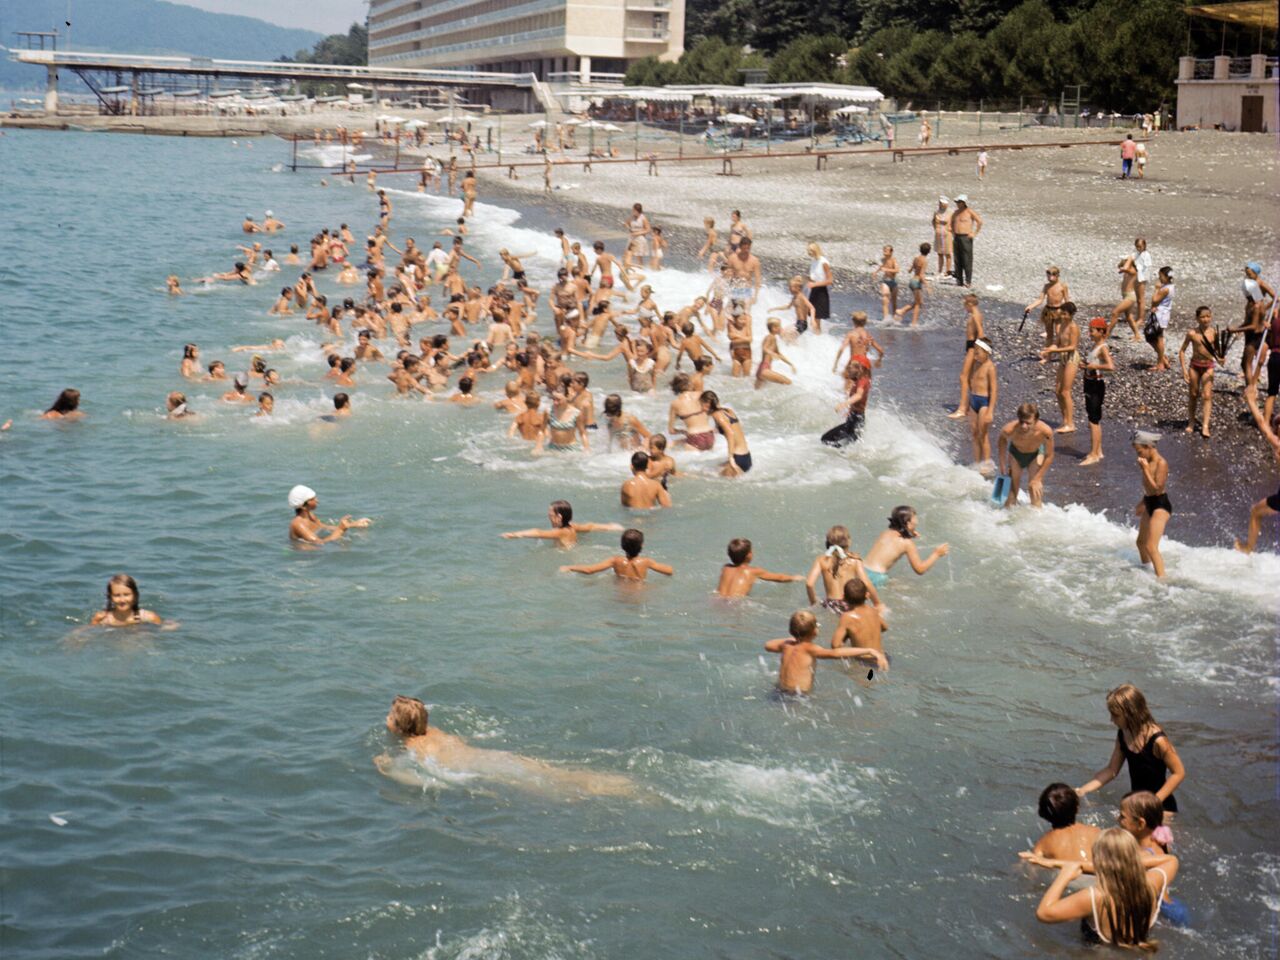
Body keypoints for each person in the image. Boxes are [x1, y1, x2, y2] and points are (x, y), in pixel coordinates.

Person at [375, 695, 635, 798]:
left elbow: (409, 774)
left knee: (544, 786)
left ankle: (604, 792)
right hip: (493, 756)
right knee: (552, 772)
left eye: (389, 717)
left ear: (398, 727)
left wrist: (386, 767)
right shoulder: (436, 731)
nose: (386, 719)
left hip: (475, 767)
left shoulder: (411, 745)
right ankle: (616, 784)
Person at [1035, 829, 1177, 949]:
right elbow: (1171, 859)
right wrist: (1127, 863)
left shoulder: (1095, 897)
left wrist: (1064, 875)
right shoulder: (1152, 883)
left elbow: (1044, 913)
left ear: (1097, 859)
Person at [1078, 683, 1185, 816]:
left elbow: (1179, 773)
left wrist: (1154, 802)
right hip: (1136, 804)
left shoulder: (1158, 740)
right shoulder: (1123, 734)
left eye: (1115, 715)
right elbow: (1112, 770)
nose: (1111, 720)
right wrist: (1083, 790)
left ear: (1131, 713)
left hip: (1161, 807)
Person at [764, 610, 868, 695]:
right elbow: (836, 653)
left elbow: (768, 645)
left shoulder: (786, 645)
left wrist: (791, 639)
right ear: (814, 631)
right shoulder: (811, 649)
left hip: (779, 691)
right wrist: (868, 650)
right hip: (798, 695)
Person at [1234, 383, 1280, 553]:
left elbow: (1262, 423)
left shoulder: (1277, 445)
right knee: (1256, 511)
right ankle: (1248, 548)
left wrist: (1252, 401)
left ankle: (1248, 548)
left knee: (1255, 512)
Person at [862, 506, 949, 590]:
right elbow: (920, 569)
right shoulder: (907, 543)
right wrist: (937, 554)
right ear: (908, 523)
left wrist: (909, 532)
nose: (917, 521)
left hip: (862, 570)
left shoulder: (886, 533)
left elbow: (895, 542)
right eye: (915, 518)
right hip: (876, 577)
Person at [804, 525, 883, 612]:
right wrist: (877, 604)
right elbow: (866, 583)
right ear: (848, 542)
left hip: (830, 605)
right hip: (849, 604)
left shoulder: (821, 560)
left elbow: (809, 584)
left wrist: (813, 603)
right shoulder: (855, 560)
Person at [1022, 783, 1101, 864]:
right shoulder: (1097, 832)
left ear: (1043, 814)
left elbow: (1032, 872)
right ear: (1077, 808)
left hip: (1069, 875)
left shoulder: (1042, 844)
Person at [997, 403, 1055, 507]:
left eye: (1028, 423)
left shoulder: (1045, 431)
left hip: (1035, 455)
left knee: (1034, 488)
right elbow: (1002, 440)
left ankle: (1037, 518)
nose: (1024, 426)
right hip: (1016, 454)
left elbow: (1049, 456)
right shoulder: (1009, 429)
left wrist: (1038, 478)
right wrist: (1002, 464)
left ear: (1036, 420)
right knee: (1011, 495)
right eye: (1021, 422)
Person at [560, 528, 673, 581]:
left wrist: (569, 567)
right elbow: (669, 571)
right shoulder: (646, 562)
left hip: (620, 594)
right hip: (639, 594)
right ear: (642, 545)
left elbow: (590, 570)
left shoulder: (615, 561)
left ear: (622, 546)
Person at [501, 500, 621, 548]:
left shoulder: (559, 532)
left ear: (559, 517)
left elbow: (538, 532)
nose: (548, 517)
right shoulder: (572, 526)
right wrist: (612, 527)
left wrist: (515, 534)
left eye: (550, 515)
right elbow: (591, 526)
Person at [828, 580, 890, 671]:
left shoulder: (847, 617)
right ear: (867, 595)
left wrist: (848, 636)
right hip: (884, 658)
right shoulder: (873, 610)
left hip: (865, 662)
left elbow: (835, 645)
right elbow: (885, 627)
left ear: (843, 597)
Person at [1178, 305, 1217, 438]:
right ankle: (1191, 421)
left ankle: (1205, 425)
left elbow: (1218, 352)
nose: (1206, 319)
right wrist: (1184, 370)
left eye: (1208, 316)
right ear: (1197, 318)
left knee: (1207, 395)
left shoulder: (1214, 333)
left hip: (1208, 366)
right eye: (1202, 317)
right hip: (1194, 366)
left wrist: (1222, 359)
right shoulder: (1192, 334)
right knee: (1193, 394)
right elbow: (1182, 351)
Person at [1040, 302, 1080, 433]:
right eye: (1061, 314)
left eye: (1065, 314)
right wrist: (1048, 350)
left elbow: (1072, 347)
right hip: (1063, 358)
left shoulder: (1074, 327)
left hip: (1071, 358)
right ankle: (1065, 421)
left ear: (1071, 314)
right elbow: (1057, 342)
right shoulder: (1062, 325)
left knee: (1065, 391)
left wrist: (1054, 352)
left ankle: (1071, 423)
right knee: (1057, 390)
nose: (1062, 316)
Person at [717, 538, 803, 598]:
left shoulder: (725, 568)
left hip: (718, 600)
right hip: (736, 603)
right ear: (749, 555)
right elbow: (780, 578)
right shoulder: (754, 571)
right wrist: (794, 578)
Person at [1081, 318, 1115, 465]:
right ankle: (1098, 451)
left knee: (1093, 421)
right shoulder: (1097, 346)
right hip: (1090, 383)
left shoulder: (1103, 348)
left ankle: (1094, 454)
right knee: (1093, 420)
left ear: (1101, 332)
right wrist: (1086, 366)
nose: (1089, 333)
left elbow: (1110, 366)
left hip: (1095, 385)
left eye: (1092, 330)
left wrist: (1093, 365)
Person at [287, 484, 371, 545]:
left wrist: (352, 524)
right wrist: (341, 530)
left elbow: (324, 527)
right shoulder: (298, 524)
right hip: (306, 555)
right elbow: (320, 543)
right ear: (303, 506)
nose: (317, 501)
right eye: (313, 499)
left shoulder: (310, 515)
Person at [948, 294, 985, 419]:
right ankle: (971, 406)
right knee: (969, 379)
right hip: (972, 347)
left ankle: (962, 409)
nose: (965, 308)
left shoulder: (975, 316)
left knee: (963, 377)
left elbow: (980, 333)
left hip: (972, 348)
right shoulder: (978, 314)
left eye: (965, 305)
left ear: (969, 304)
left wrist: (978, 351)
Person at [821, 358, 871, 447]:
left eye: (850, 367)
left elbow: (859, 395)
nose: (848, 369)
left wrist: (843, 404)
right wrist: (850, 410)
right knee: (848, 446)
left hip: (856, 420)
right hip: (855, 419)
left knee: (826, 439)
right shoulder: (859, 380)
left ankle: (840, 456)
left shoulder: (862, 381)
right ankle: (842, 456)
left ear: (860, 369)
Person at [702, 391, 752, 476]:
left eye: (701, 405)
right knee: (715, 469)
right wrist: (715, 430)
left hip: (737, 459)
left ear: (707, 404)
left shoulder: (716, 415)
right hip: (746, 457)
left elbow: (730, 433)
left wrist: (731, 458)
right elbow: (733, 427)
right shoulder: (728, 411)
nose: (701, 408)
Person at [966, 339, 997, 469]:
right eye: (975, 352)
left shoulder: (990, 367)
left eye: (978, 353)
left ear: (987, 352)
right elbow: (969, 379)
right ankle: (977, 462)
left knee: (983, 434)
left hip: (984, 402)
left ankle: (987, 463)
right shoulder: (975, 363)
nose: (975, 355)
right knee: (974, 433)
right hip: (973, 399)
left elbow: (994, 390)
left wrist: (990, 410)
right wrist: (969, 401)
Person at [89, 573, 163, 627]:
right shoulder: (102, 618)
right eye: (117, 595)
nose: (122, 600)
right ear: (110, 597)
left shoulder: (149, 617)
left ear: (135, 595)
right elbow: (88, 631)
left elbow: (161, 629)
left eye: (126, 595)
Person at [1145, 266, 1174, 371]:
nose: (1159, 278)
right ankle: (1163, 359)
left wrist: (1156, 289)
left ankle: (1161, 363)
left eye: (1161, 276)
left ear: (1166, 276)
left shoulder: (1165, 289)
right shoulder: (1170, 287)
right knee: (1154, 337)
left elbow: (1154, 300)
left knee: (1156, 337)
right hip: (1163, 314)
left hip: (1160, 315)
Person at [949, 195, 981, 288]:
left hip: (966, 237)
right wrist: (952, 231)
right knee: (957, 259)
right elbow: (951, 222)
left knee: (967, 259)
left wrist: (974, 233)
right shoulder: (956, 212)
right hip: (956, 237)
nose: (957, 204)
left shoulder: (969, 212)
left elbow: (979, 221)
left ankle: (968, 281)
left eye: (959, 202)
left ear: (963, 203)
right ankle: (959, 280)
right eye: (957, 202)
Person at [894, 243, 931, 326]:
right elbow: (921, 275)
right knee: (918, 303)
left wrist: (912, 270)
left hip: (912, 281)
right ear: (929, 252)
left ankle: (902, 311)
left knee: (919, 302)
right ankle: (913, 322)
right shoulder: (924, 261)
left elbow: (910, 270)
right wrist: (927, 286)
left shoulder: (916, 258)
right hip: (917, 283)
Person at [755, 319, 796, 388]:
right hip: (764, 369)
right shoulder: (770, 337)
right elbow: (764, 348)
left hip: (763, 368)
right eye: (779, 326)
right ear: (774, 328)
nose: (781, 328)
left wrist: (790, 364)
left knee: (756, 393)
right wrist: (772, 353)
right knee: (788, 382)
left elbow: (779, 354)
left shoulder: (774, 339)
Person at [805, 242, 832, 333]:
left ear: (815, 250)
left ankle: (818, 338)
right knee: (812, 318)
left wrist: (814, 284)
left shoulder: (824, 262)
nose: (809, 253)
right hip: (813, 291)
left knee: (816, 318)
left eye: (810, 251)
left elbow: (830, 281)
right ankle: (817, 338)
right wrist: (808, 279)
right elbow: (814, 278)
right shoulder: (814, 261)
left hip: (821, 292)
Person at [871, 245, 899, 323]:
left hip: (894, 281)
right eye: (884, 250)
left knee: (894, 301)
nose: (884, 252)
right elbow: (881, 266)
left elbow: (897, 270)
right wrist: (876, 272)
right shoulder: (883, 260)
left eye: (886, 250)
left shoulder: (894, 260)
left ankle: (894, 318)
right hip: (885, 281)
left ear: (891, 252)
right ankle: (885, 318)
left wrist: (886, 269)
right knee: (885, 298)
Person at [931, 197, 953, 277]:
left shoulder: (950, 213)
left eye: (943, 203)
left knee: (948, 253)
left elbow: (953, 223)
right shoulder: (936, 212)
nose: (941, 205)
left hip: (947, 234)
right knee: (939, 253)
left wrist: (950, 229)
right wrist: (936, 228)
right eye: (940, 203)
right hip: (938, 234)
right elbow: (933, 221)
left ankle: (948, 271)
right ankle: (940, 270)